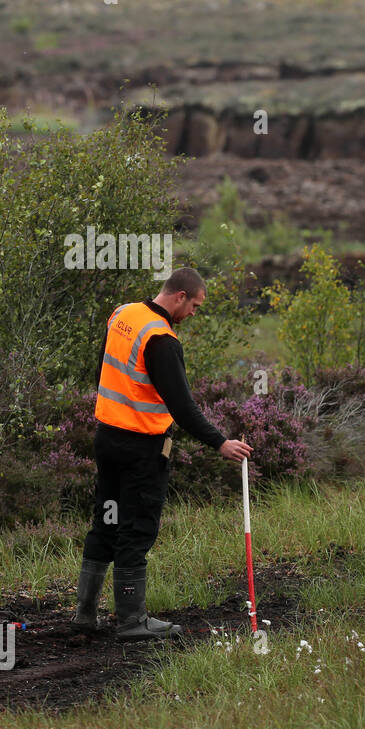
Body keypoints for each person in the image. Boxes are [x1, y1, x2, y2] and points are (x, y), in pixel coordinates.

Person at [73, 268, 253, 641]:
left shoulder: (122, 314)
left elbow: (101, 372)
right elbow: (183, 407)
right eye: (195, 306)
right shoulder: (162, 339)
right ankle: (132, 622)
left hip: (106, 438)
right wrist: (221, 442)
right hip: (142, 449)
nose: (193, 315)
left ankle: (84, 617)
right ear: (180, 296)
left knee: (105, 522)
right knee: (135, 529)